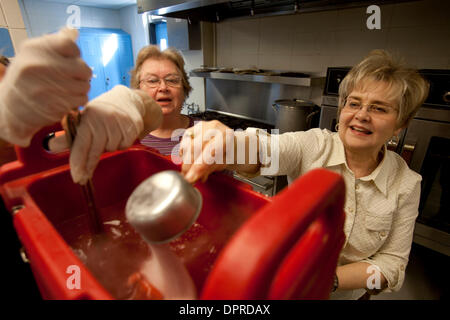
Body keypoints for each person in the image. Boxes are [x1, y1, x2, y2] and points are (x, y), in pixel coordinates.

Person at [179, 50, 430, 299]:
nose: (362, 115)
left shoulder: (406, 184)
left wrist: (327, 280)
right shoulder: (315, 145)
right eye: (354, 103)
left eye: (379, 109)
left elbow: (392, 263)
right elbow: (266, 149)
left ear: (400, 124)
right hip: (284, 284)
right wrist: (229, 144)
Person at [129, 45, 194, 156]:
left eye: (172, 80)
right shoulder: (126, 139)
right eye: (152, 81)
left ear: (184, 87)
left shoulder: (206, 133)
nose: (163, 88)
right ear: (138, 89)